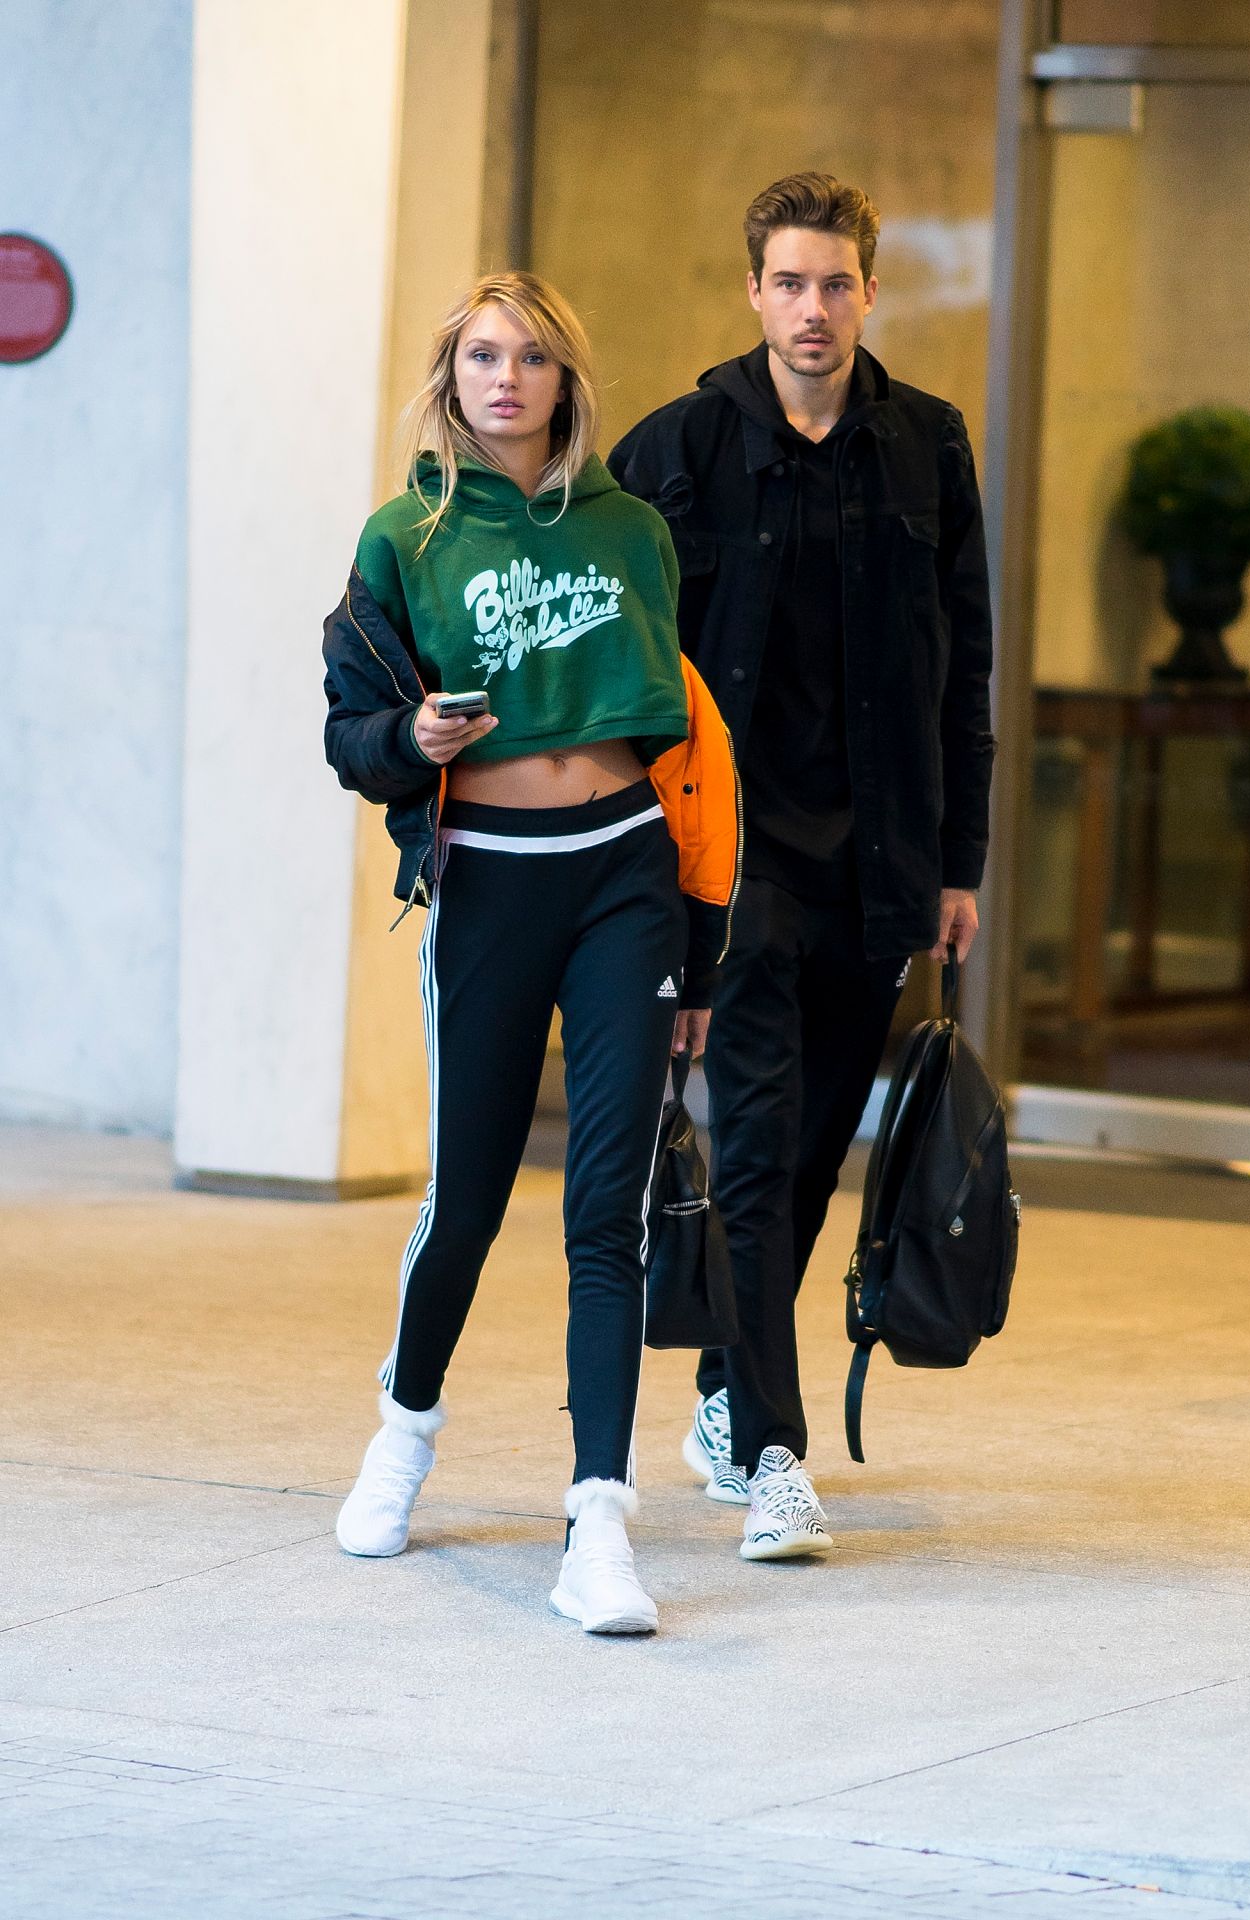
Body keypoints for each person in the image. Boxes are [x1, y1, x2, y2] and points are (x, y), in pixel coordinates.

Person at [321, 272, 738, 1634]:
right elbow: (351, 732)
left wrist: (704, 948)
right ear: (453, 376)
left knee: (603, 1209)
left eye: (535, 358)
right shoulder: (407, 535)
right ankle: (408, 1421)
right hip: (492, 885)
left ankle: (600, 1524)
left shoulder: (630, 531)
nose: (509, 378)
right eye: (486, 356)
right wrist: (415, 745)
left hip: (623, 873)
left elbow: (690, 750)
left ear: (567, 381)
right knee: (472, 1197)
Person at [609, 173, 995, 1560]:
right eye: (789, 283)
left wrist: (961, 861)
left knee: (815, 1152)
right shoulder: (677, 448)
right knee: (762, 1144)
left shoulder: (929, 449)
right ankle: (776, 1457)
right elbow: (625, 665)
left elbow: (968, 670)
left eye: (836, 284)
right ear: (753, 291)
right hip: (734, 854)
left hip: (878, 858)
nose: (814, 309)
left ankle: (725, 1394)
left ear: (870, 292)